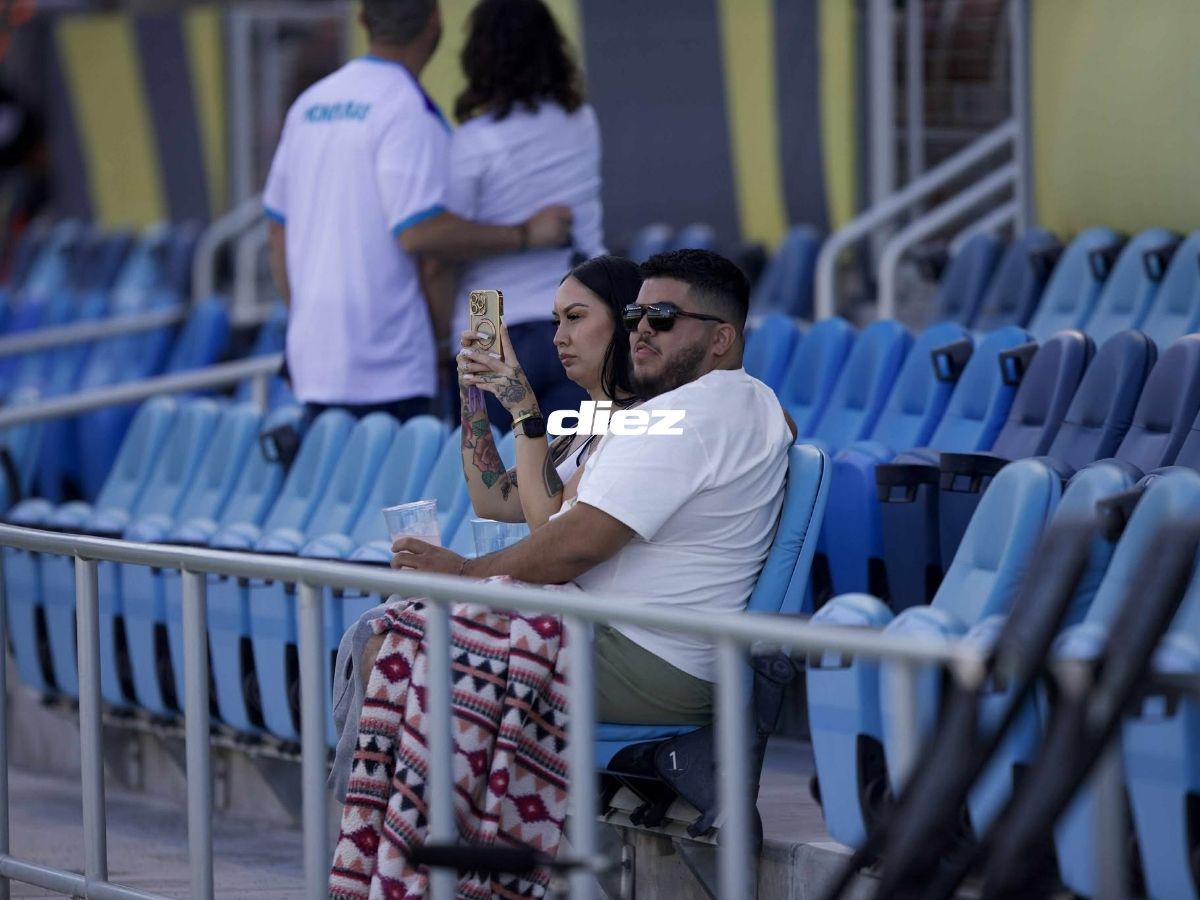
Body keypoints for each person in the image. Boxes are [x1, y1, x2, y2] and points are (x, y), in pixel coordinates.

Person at [394, 248, 794, 722]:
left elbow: (565, 543)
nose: (642, 329)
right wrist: (473, 396)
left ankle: (421, 796)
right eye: (635, 315)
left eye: (661, 317)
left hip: (645, 652)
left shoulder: (668, 420)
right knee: (395, 631)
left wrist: (463, 572)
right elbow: (495, 501)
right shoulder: (662, 415)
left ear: (721, 338)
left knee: (402, 648)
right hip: (623, 635)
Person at [263, 0, 572, 424]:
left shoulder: (308, 106)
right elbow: (422, 236)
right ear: (434, 24)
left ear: (362, 20)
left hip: (314, 356)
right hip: (388, 362)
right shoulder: (408, 111)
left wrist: (306, 324)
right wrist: (525, 235)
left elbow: (276, 232)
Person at [442, 0, 605, 431]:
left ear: (479, 56)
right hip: (576, 316)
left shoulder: (472, 141)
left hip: (490, 324)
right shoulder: (583, 122)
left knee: (502, 483)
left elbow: (443, 241)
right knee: (579, 473)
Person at [456, 255, 641, 531]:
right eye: (557, 321)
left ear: (624, 320)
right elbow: (494, 501)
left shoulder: (644, 420)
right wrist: (471, 393)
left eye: (575, 317)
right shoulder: (591, 422)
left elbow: (550, 527)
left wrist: (524, 410)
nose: (559, 338)